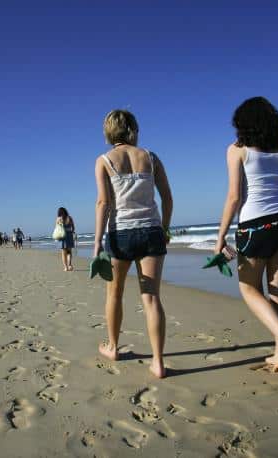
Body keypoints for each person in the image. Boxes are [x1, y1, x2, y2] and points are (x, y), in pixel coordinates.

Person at [214, 96, 278, 372]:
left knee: (249, 287)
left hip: (256, 225)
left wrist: (220, 237)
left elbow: (234, 197)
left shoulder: (237, 150)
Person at [94, 109, 173, 378]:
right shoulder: (151, 157)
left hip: (121, 234)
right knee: (151, 298)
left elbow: (104, 203)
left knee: (114, 294)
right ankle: (158, 362)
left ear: (108, 131)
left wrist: (97, 245)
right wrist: (164, 229)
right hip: (151, 231)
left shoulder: (104, 160)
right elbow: (167, 198)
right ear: (133, 129)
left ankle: (114, 347)